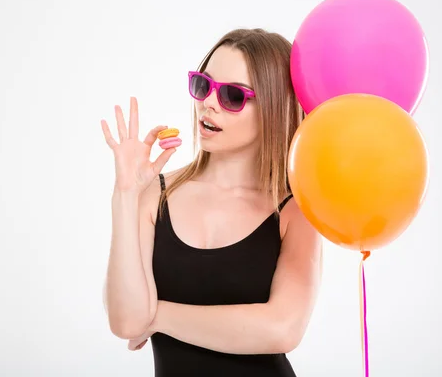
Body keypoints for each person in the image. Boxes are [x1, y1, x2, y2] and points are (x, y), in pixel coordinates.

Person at [100, 28, 323, 376]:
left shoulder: (294, 210)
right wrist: (125, 195)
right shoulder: (155, 195)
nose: (209, 103)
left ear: (273, 108)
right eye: (204, 85)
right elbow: (127, 322)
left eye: (232, 96)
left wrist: (156, 315)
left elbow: (282, 329)